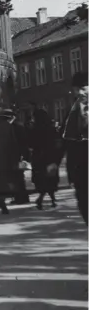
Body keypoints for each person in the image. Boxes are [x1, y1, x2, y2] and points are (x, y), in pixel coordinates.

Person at [63, 71, 88, 224]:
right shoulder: (73, 111)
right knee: (84, 200)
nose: (79, 92)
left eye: (84, 88)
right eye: (76, 89)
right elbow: (68, 141)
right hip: (82, 163)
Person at [29, 108, 61, 210]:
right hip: (50, 157)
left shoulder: (34, 129)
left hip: (39, 157)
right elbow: (56, 143)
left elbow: (31, 143)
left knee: (41, 179)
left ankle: (42, 198)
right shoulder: (51, 128)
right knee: (50, 178)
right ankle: (51, 199)